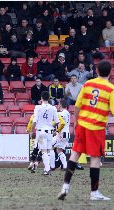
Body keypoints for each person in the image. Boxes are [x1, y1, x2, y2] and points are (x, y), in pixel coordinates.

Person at [58, 61, 114, 201]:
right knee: (95, 158)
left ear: (97, 70)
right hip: (97, 127)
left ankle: (65, 186)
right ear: (110, 72)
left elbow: (77, 106)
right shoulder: (111, 89)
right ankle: (94, 193)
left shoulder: (87, 84)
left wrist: (76, 121)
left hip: (83, 124)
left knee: (75, 154)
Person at [30, 91, 62, 175]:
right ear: (49, 98)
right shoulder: (53, 108)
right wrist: (55, 130)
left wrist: (31, 131)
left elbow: (34, 121)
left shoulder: (38, 107)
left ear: (41, 98)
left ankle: (47, 169)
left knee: (44, 151)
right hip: (50, 132)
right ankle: (47, 169)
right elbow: (57, 122)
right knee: (47, 151)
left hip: (41, 132)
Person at [52, 100, 71, 170]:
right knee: (59, 151)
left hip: (62, 134)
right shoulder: (68, 113)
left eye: (59, 104)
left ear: (60, 105)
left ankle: (52, 166)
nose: (58, 106)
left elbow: (57, 122)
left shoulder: (62, 113)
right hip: (67, 134)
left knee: (49, 146)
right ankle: (65, 166)